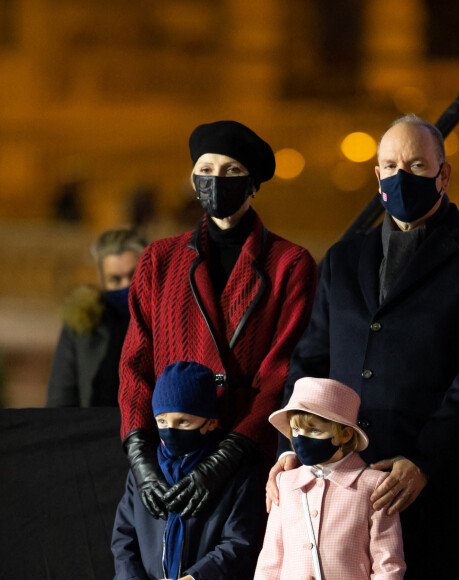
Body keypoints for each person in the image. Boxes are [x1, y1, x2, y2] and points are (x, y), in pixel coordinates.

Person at [267, 114, 459, 579]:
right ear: (377, 176)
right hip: (342, 488)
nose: (401, 175)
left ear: (443, 174)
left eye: (416, 165)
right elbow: (310, 363)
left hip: (439, 488)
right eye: (390, 165)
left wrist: (425, 460)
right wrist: (293, 443)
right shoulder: (343, 259)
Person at [118, 120, 318, 522]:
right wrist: (141, 458)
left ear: (252, 184)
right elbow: (134, 365)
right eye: (206, 171)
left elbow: (283, 371)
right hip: (168, 455)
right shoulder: (159, 260)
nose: (216, 181)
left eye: (231, 171)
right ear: (193, 180)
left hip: (246, 455)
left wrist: (229, 455)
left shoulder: (289, 264)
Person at [112, 360, 263, 580]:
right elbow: (124, 537)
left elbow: (239, 542)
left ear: (210, 423)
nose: (170, 430)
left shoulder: (237, 474)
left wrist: (195, 578)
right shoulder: (145, 471)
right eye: (162, 421)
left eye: (183, 422)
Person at [254, 377, 406, 580]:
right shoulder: (285, 483)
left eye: (314, 430)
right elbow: (270, 559)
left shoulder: (374, 485)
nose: (300, 439)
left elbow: (387, 565)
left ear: (345, 435)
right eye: (296, 430)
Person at [46, 227, 147, 407]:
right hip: (95, 429)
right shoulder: (82, 321)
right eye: (115, 279)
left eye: (133, 275)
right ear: (102, 279)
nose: (127, 285)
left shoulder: (168, 319)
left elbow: (214, 376)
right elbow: (61, 394)